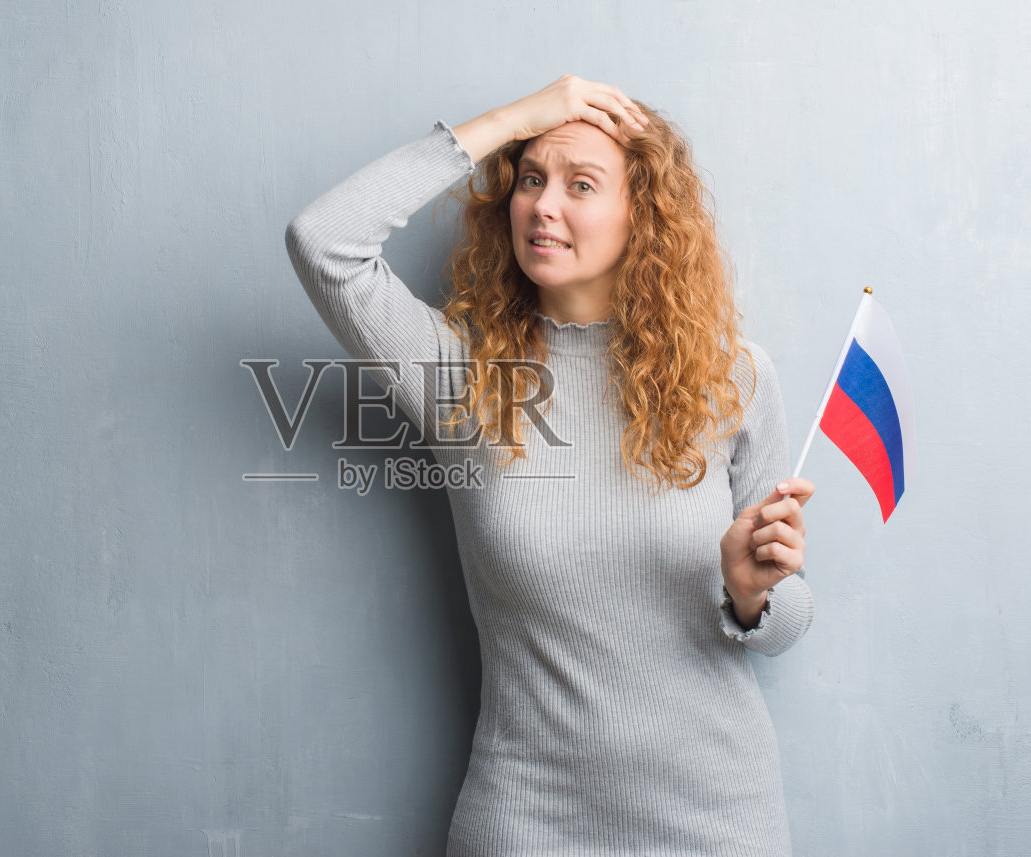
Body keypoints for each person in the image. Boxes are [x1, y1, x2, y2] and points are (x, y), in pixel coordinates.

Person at [284, 74, 816, 856]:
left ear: (645, 217)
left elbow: (790, 615)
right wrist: (513, 121)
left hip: (719, 819)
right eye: (530, 178)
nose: (543, 204)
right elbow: (324, 243)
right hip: (527, 824)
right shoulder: (461, 376)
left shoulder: (733, 378)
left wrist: (751, 597)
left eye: (582, 184)